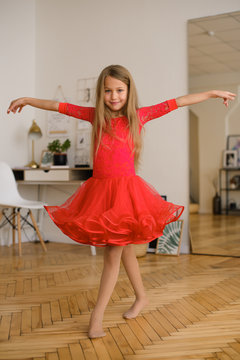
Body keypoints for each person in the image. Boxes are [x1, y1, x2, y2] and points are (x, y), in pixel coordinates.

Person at [7, 65, 236, 338]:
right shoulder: (94, 117)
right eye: (107, 91)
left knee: (114, 253)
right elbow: (58, 106)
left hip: (127, 195)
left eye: (119, 90)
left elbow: (178, 102)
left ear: (128, 91)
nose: (113, 96)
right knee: (124, 251)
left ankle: (97, 317)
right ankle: (141, 297)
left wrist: (212, 92)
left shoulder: (139, 116)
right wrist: (27, 100)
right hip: (101, 193)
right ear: (100, 93)